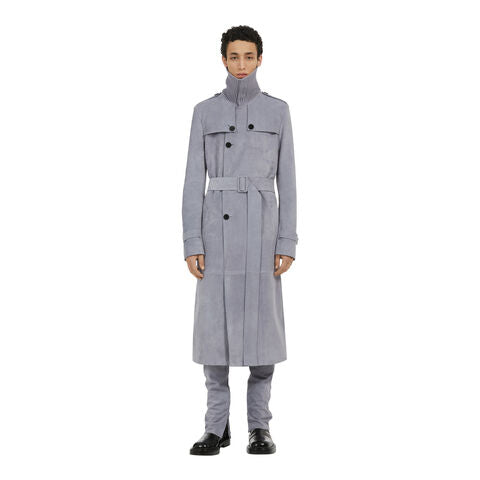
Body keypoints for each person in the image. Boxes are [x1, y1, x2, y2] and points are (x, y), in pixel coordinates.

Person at [181, 25, 298, 455]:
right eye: (234, 56)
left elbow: (289, 180)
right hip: (217, 231)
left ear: (260, 59)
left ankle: (259, 426)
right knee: (213, 335)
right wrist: (193, 240)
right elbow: (193, 181)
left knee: (263, 335)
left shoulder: (278, 111)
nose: (242, 64)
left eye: (249, 56)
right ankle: (215, 426)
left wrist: (287, 240)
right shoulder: (204, 112)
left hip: (263, 232)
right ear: (224, 60)